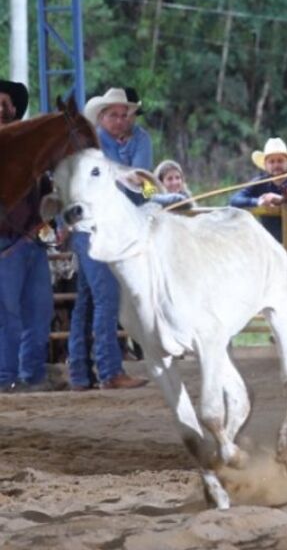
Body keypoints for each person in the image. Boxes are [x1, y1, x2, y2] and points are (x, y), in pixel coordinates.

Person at [68, 88, 149, 390]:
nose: (119, 119)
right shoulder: (91, 144)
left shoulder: (141, 138)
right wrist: (132, 183)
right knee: (105, 298)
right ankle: (109, 371)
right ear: (101, 118)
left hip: (115, 225)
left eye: (123, 114)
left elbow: (143, 180)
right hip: (93, 228)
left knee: (89, 300)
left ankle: (79, 373)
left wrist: (151, 192)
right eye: (112, 115)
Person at [230, 137, 287, 338]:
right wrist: (258, 200)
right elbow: (235, 200)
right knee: (275, 292)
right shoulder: (259, 184)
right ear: (266, 164)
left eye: (280, 160)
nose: (277, 165)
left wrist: (284, 200)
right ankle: (283, 332)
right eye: (272, 161)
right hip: (271, 247)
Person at [0, 80, 57, 393]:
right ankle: (7, 377)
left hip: (34, 240)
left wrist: (51, 218)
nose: (2, 110)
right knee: (8, 315)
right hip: (7, 243)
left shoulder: (139, 145)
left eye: (6, 105)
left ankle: (31, 375)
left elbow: (149, 187)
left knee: (39, 312)